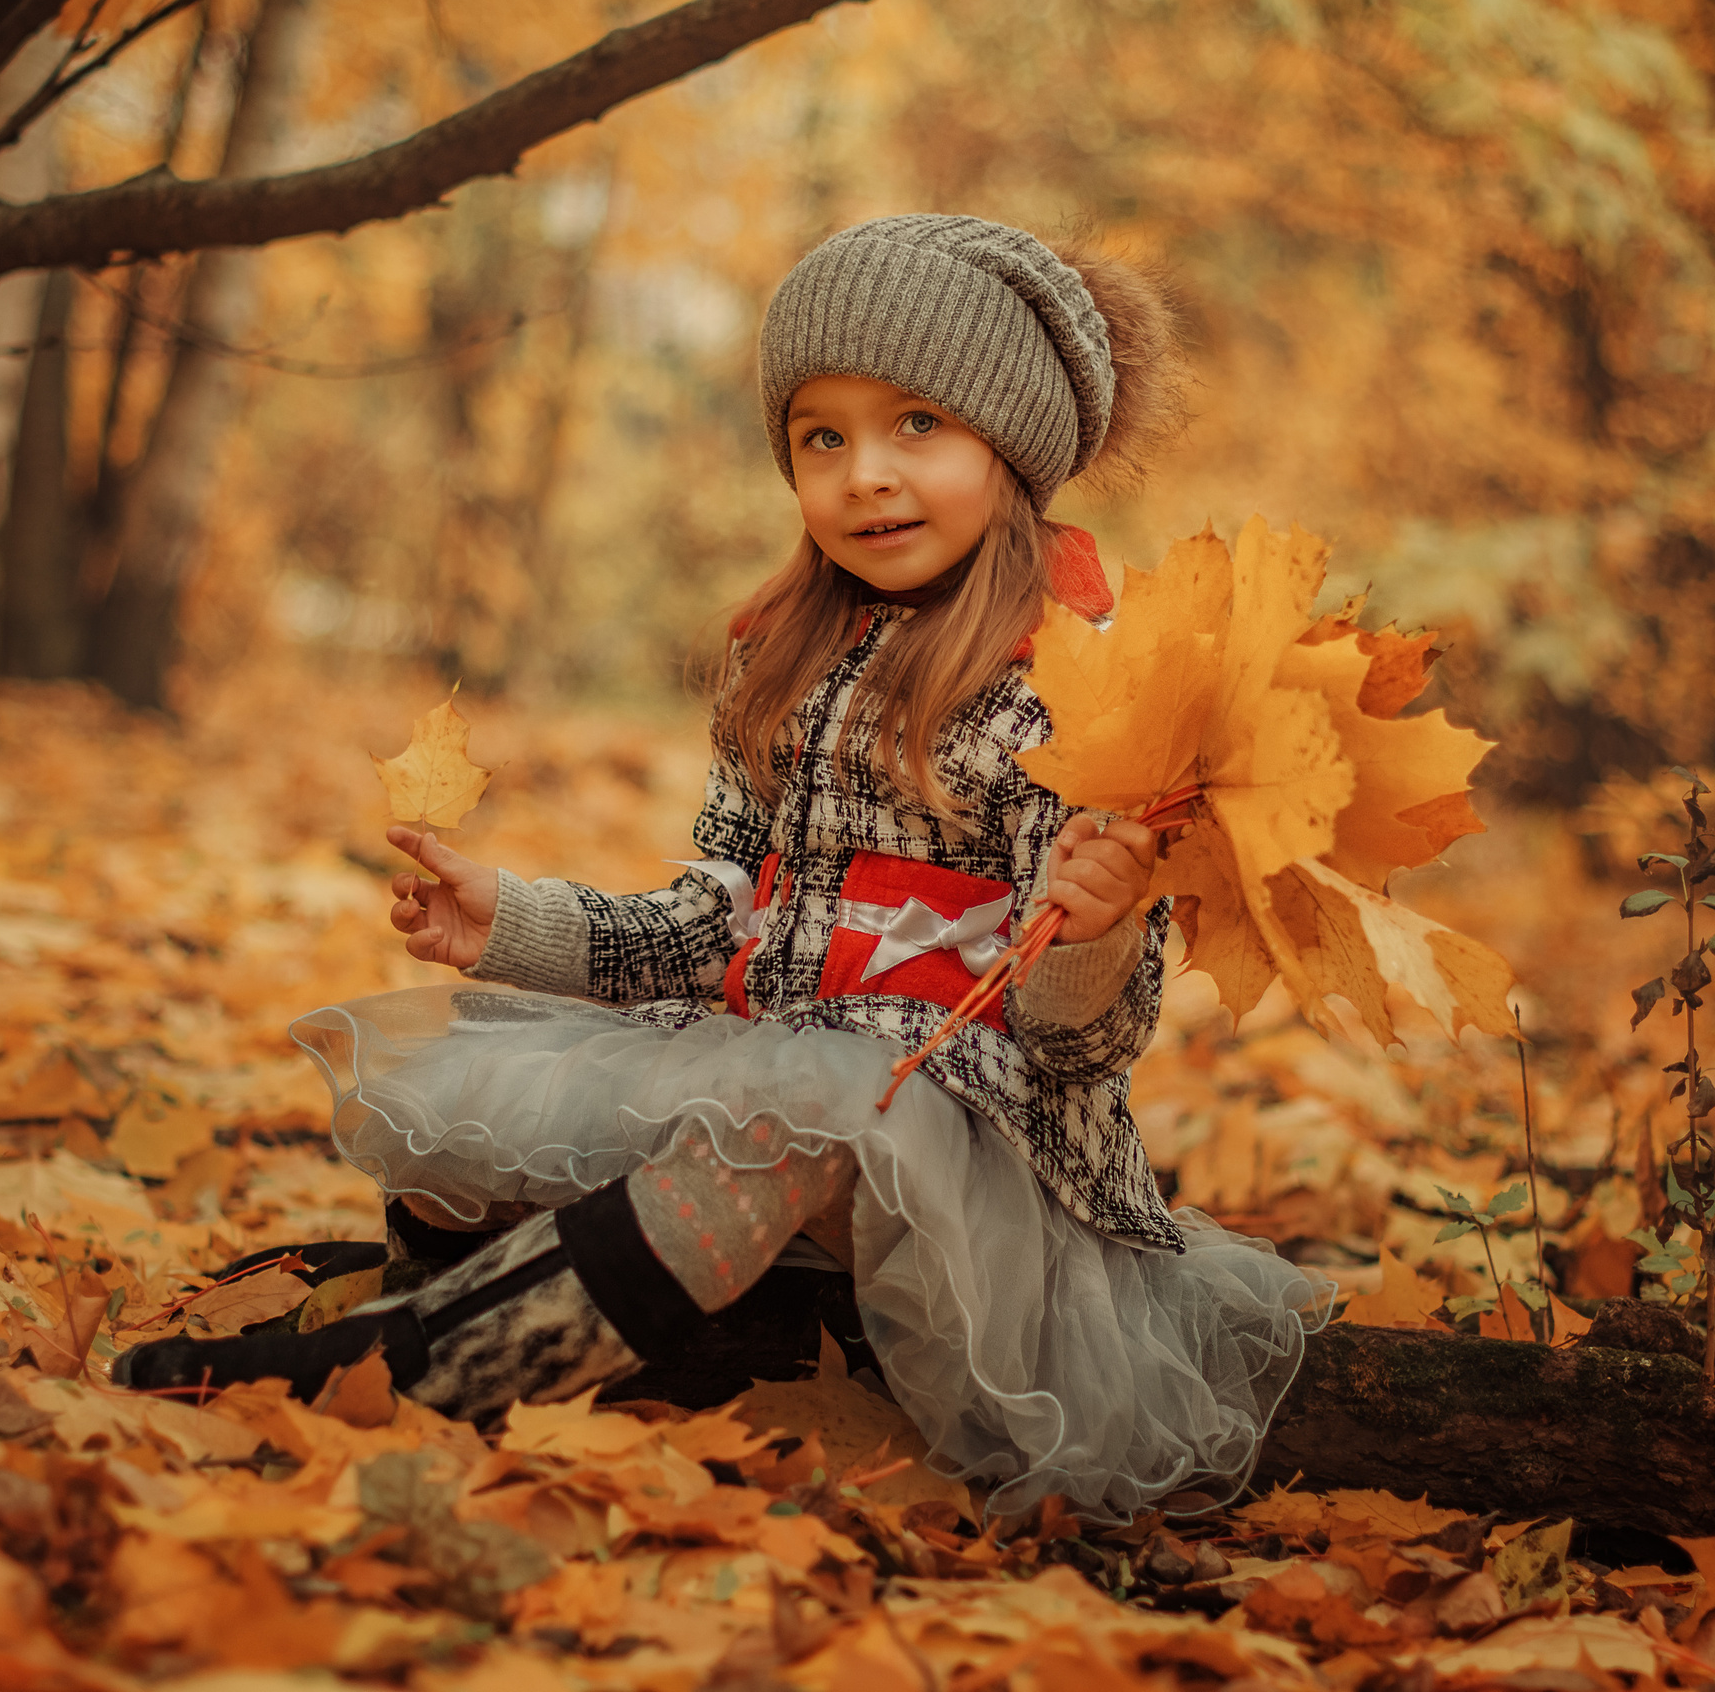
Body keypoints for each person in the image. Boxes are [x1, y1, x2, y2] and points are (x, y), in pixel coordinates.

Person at [116, 214, 1333, 1521]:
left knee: (801, 1118)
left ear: (1014, 445)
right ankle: (475, 1299)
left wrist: (1092, 930)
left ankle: (382, 1381)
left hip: (971, 1132)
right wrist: (519, 927)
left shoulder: (1078, 688)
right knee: (484, 1087)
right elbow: (717, 915)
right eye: (824, 437)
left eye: (917, 426)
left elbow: (1077, 1045)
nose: (866, 474)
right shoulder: (779, 657)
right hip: (777, 1057)